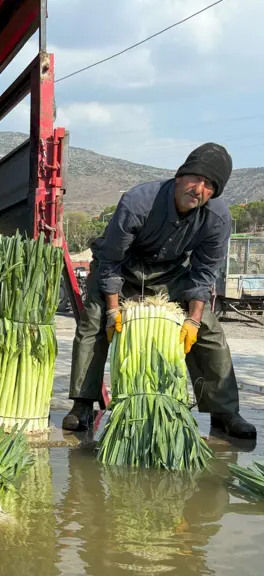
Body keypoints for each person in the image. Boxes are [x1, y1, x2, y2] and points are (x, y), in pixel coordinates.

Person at [64, 142, 256, 439]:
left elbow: (203, 274)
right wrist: (113, 310)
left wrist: (193, 320)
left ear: (214, 193)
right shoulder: (139, 201)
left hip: (168, 273)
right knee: (94, 321)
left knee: (210, 332)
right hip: (120, 267)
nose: (199, 189)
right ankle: (82, 404)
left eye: (209, 185)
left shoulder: (217, 218)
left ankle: (224, 411)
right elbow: (111, 261)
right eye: (196, 178)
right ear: (179, 176)